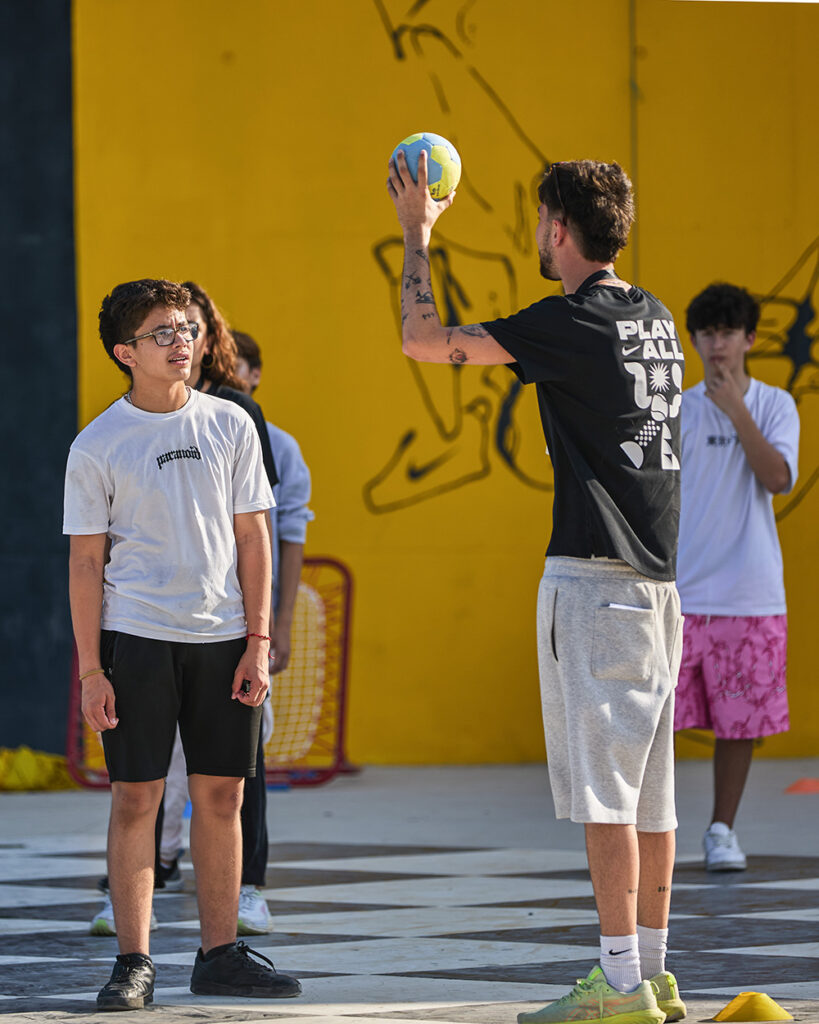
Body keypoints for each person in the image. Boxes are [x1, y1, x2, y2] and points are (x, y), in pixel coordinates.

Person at [387, 154, 685, 1024]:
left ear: (557, 228)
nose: (534, 235)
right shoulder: (654, 317)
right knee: (652, 798)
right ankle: (654, 975)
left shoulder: (569, 321)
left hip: (594, 583)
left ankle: (619, 987)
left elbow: (421, 340)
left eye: (537, 221)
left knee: (606, 797)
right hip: (658, 586)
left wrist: (417, 233)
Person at [65, 278, 301, 1010]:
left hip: (224, 638)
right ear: (125, 352)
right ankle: (133, 963)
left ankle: (220, 955)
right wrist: (91, 670)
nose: (182, 343)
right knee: (137, 798)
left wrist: (258, 639)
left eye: (187, 329)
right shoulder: (97, 443)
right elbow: (85, 563)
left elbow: (255, 538)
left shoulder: (231, 423)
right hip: (135, 639)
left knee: (223, 795)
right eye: (162, 333)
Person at [155, 326, 314, 936]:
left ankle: (245, 884)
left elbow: (278, 537)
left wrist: (274, 625)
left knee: (244, 757)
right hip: (162, 620)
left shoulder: (264, 440)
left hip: (235, 621)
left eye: (240, 367)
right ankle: (153, 864)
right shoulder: (147, 430)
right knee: (159, 759)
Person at [674, 283, 799, 871]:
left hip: (750, 595)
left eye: (727, 332)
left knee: (739, 722)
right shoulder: (677, 408)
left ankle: (722, 830)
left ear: (749, 339)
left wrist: (737, 411)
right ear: (695, 340)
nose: (716, 344)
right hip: (679, 594)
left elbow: (777, 478)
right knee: (654, 720)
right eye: (706, 333)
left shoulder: (776, 405)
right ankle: (651, 831)